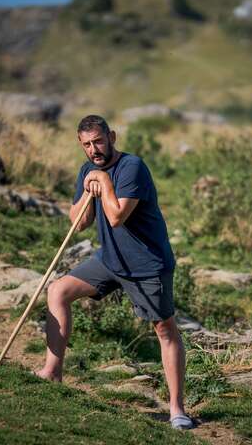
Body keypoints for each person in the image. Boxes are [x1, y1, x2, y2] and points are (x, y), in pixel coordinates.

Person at [36, 115, 193, 430]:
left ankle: (177, 409)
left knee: (165, 330)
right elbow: (79, 222)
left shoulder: (132, 167)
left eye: (98, 141)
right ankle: (52, 372)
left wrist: (104, 182)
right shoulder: (87, 170)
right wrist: (86, 190)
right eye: (86, 145)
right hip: (110, 259)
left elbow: (117, 215)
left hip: (147, 265)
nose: (93, 150)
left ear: (112, 136)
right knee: (58, 291)